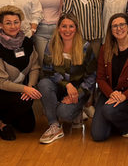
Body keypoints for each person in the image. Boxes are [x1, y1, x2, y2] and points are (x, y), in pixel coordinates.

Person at [37, 14, 97, 144]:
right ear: (58, 28)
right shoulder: (51, 45)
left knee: (63, 113)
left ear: (76, 28)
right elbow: (47, 72)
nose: (67, 30)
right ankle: (54, 126)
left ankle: (74, 109)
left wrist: (77, 93)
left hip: (78, 92)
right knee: (43, 84)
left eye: (71, 26)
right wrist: (67, 85)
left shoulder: (85, 47)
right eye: (64, 26)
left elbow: (91, 77)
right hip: (59, 87)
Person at [0, 6, 41, 140]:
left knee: (28, 127)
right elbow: (0, 82)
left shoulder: (27, 43)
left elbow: (34, 67)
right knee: (25, 103)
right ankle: (2, 123)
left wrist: (31, 86)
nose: (13, 26)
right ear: (1, 25)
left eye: (16, 22)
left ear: (21, 22)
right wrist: (25, 89)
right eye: (8, 23)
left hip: (20, 91)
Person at [91, 13, 128, 142]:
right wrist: (111, 93)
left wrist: (124, 96)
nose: (119, 28)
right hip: (109, 93)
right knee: (98, 136)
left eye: (122, 25)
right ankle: (114, 119)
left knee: (108, 111)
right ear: (111, 31)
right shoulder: (105, 49)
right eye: (115, 26)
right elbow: (100, 78)